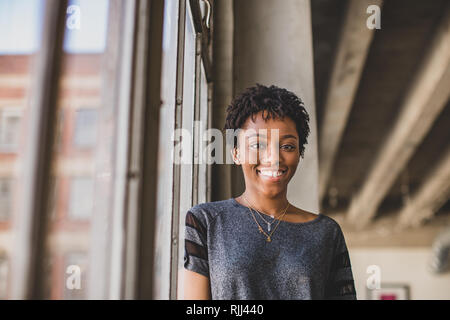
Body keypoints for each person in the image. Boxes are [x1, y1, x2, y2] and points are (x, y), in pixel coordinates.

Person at [183, 84, 356, 300]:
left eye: (287, 146)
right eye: (258, 144)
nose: (274, 158)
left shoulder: (327, 233)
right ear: (236, 153)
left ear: (299, 154)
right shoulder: (205, 222)